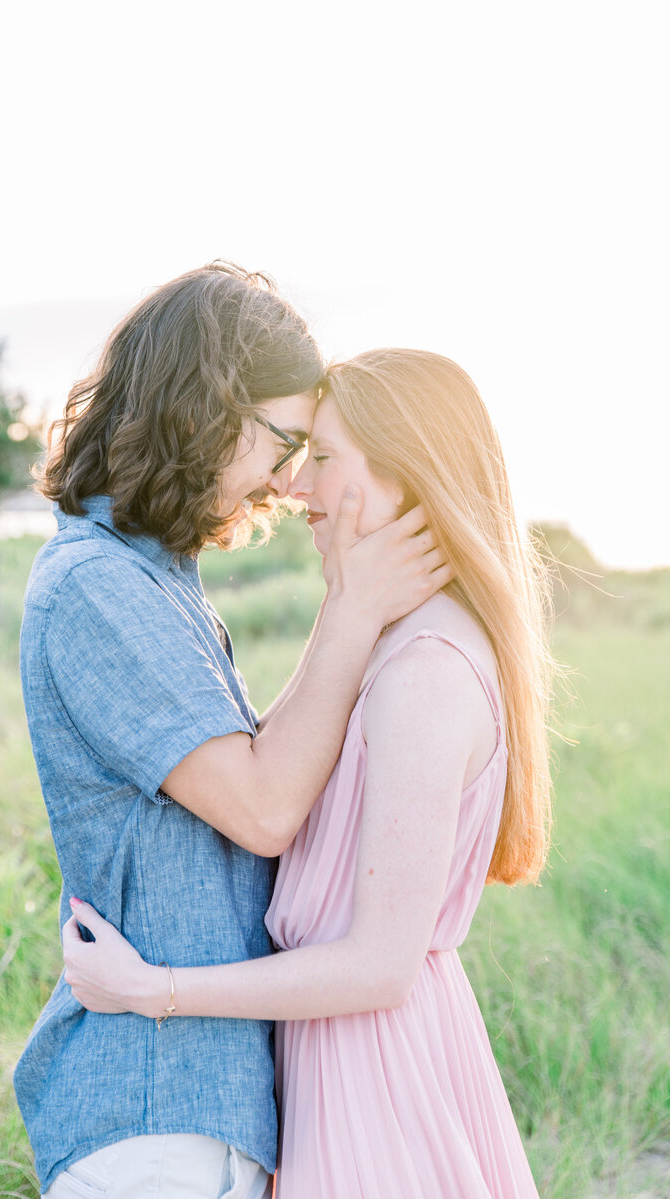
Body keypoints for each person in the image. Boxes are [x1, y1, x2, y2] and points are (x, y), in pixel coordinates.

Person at [62, 348, 554, 1198]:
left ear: (406, 476)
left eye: (323, 459)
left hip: (377, 1073)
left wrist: (153, 989)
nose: (294, 489)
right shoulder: (391, 642)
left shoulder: (425, 670)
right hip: (349, 1058)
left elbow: (378, 965)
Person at [15, 267, 450, 1199]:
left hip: (197, 1113)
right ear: (205, 408)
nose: (288, 481)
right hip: (150, 1112)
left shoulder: (158, 577)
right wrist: (353, 610)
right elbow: (261, 808)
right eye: (281, 441)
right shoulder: (96, 584)